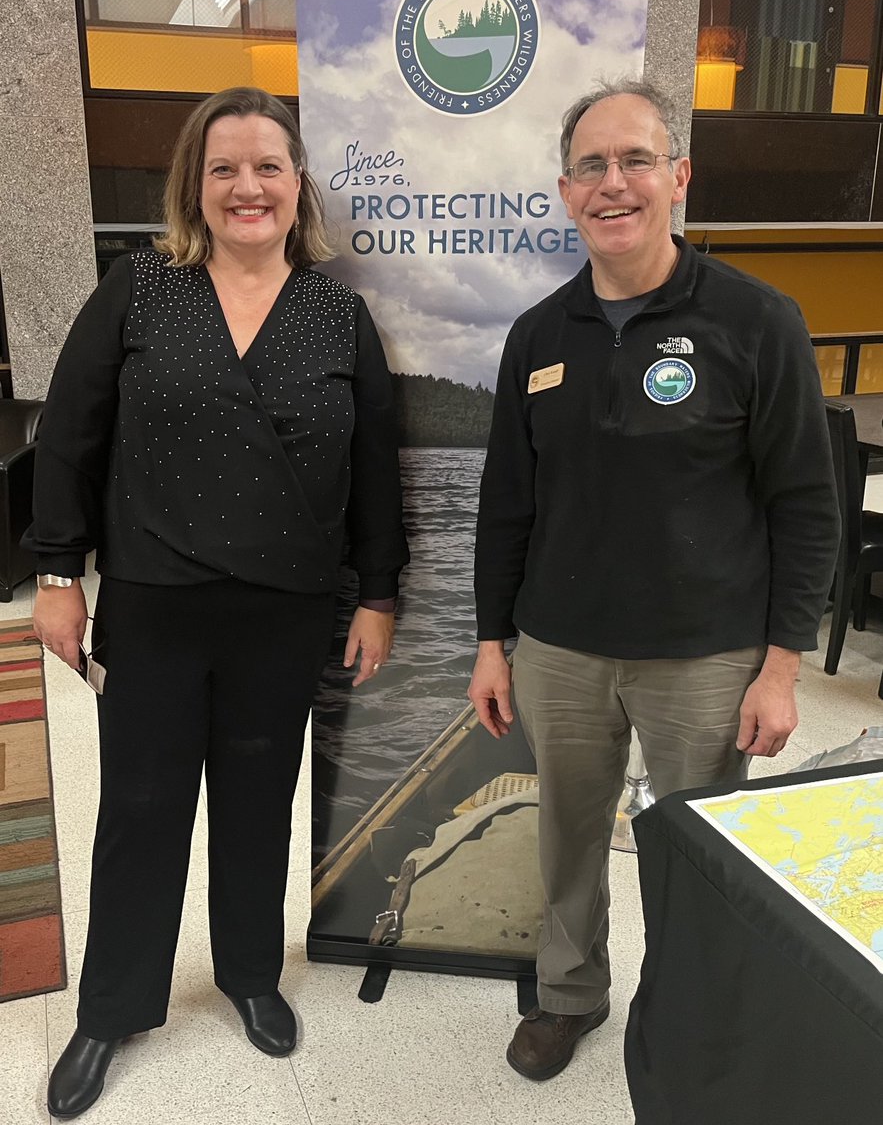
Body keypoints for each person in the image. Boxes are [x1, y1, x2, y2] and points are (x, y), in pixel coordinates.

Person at [27, 86, 408, 1119]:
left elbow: (378, 466)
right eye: (225, 167)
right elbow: (67, 436)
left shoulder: (338, 311)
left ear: (297, 186)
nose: (248, 186)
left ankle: (247, 974)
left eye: (268, 166)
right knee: (141, 813)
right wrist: (56, 576)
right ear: (196, 186)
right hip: (153, 604)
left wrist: (377, 594)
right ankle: (111, 1008)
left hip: (283, 611)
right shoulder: (141, 289)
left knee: (254, 808)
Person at [468, 77, 839, 1082]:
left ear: (677, 177)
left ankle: (694, 1006)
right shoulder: (538, 336)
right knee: (567, 839)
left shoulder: (756, 321)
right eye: (590, 165)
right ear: (563, 189)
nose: (612, 183)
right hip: (561, 647)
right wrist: (490, 643)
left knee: (695, 854)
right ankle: (568, 995)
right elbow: (506, 502)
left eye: (635, 159)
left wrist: (778, 667)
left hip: (705, 655)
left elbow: (805, 503)